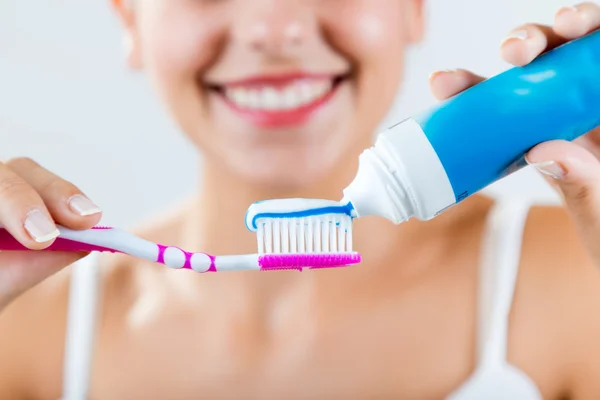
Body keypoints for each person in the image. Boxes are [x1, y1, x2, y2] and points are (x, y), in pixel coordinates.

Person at [1, 0, 600, 398]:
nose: (274, 29)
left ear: (410, 8)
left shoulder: (579, 276)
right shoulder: (23, 325)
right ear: (130, 18)